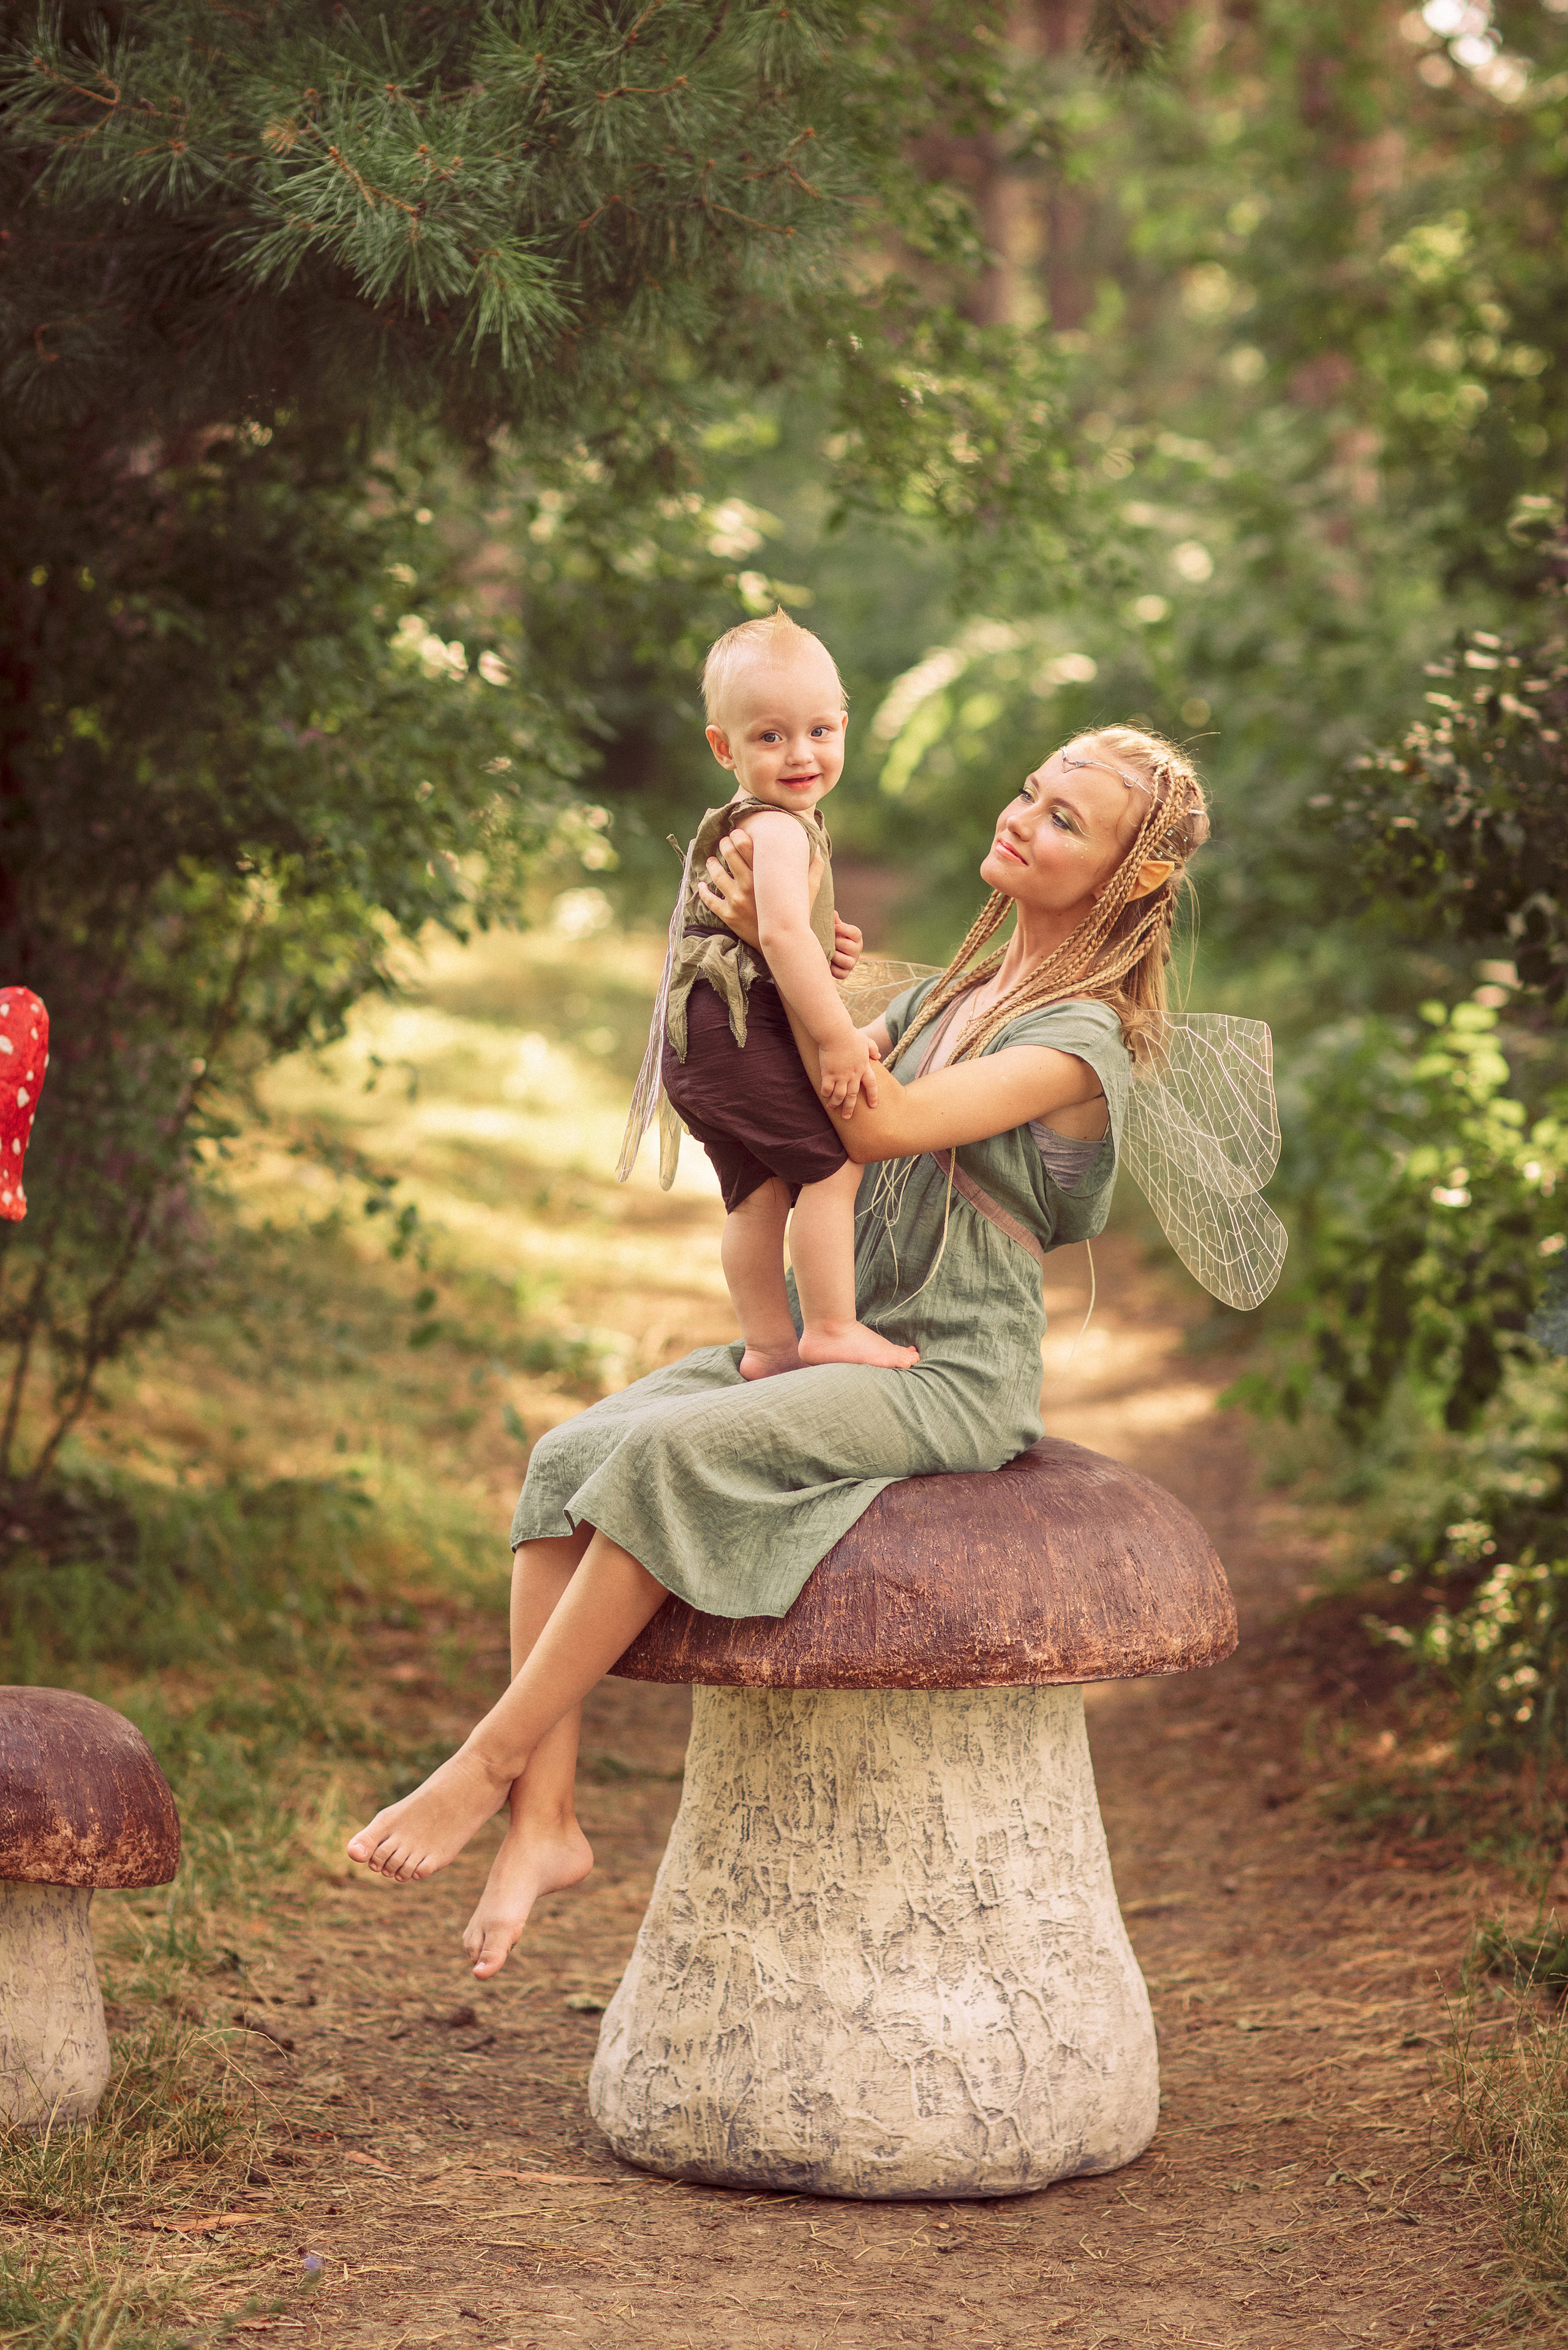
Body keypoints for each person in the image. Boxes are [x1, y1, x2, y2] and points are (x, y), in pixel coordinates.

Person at [347, 725, 1210, 1983]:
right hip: (836, 1325)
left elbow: (884, 1116)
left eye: (1064, 819)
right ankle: (546, 1822)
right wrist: (773, 944)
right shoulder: (939, 996)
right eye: (1028, 789)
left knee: (664, 1460)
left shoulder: (1074, 1038)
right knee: (568, 1458)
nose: (1022, 815)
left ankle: (482, 1762)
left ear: (1126, 878)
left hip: (946, 1374)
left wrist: (796, 949)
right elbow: (814, 1082)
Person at [649, 606, 918, 1378]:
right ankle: (830, 1326)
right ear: (722, 747)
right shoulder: (778, 828)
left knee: (756, 1198)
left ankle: (768, 1346)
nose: (800, 754)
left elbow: (784, 929)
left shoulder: (761, 822)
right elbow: (779, 937)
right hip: (734, 1037)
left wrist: (822, 941)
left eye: (819, 732)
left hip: (699, 1044)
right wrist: (837, 1034)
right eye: (770, 737)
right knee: (830, 1170)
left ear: (842, 726)